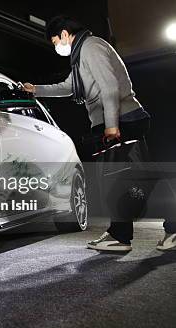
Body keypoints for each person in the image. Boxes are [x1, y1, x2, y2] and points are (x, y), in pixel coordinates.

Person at [23, 15, 176, 252]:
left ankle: (122, 236)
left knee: (120, 180)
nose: (56, 48)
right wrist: (37, 90)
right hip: (126, 119)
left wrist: (111, 125)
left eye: (55, 42)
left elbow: (109, 86)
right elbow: (69, 86)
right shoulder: (81, 56)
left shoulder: (91, 47)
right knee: (144, 177)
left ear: (65, 34)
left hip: (121, 121)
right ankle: (155, 231)